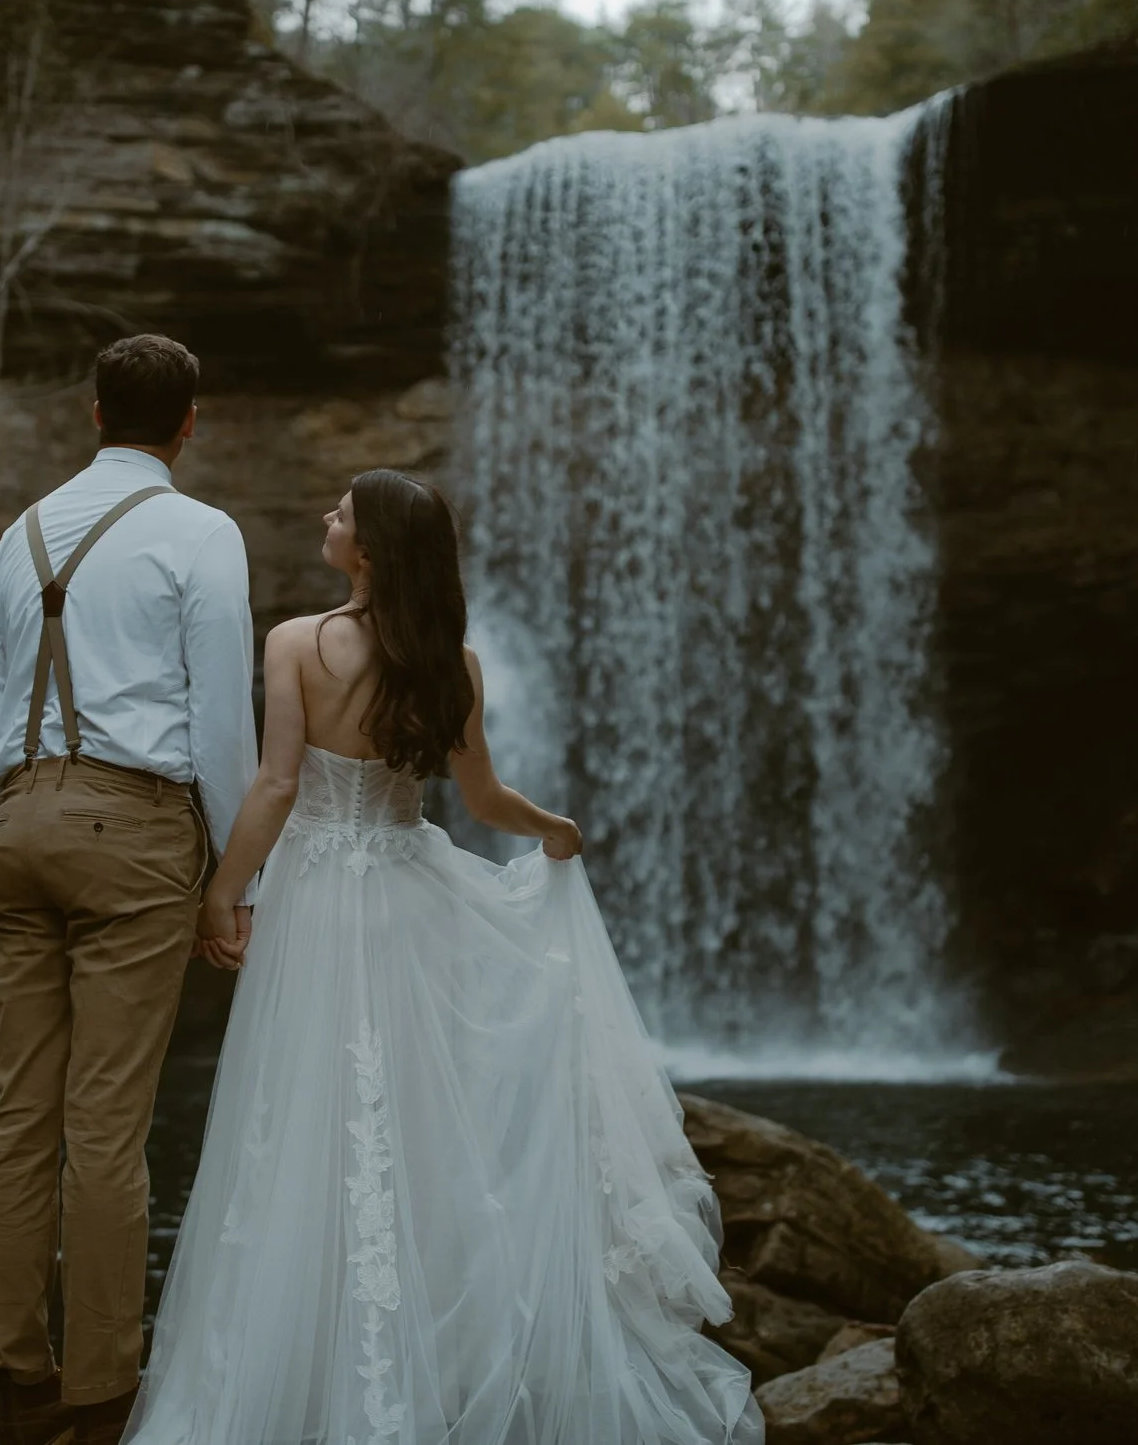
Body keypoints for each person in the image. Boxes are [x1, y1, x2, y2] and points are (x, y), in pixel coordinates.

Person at [125, 469, 760, 1445]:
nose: (324, 517)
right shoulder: (448, 662)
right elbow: (486, 797)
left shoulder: (295, 641)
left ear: (368, 549)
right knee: (420, 1127)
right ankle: (437, 1353)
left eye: (339, 512)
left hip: (318, 901)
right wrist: (553, 826)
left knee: (298, 1119)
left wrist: (222, 889)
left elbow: (277, 785)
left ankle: (302, 1368)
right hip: (412, 894)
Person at [0, 334, 258, 1445]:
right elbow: (222, 718)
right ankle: (100, 1395)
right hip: (131, 829)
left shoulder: (17, 535)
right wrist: (235, 877)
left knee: (17, 1113)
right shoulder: (200, 532)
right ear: (189, 422)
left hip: (17, 819)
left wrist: (11, 811)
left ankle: (17, 1377)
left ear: (91, 413)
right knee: (105, 1126)